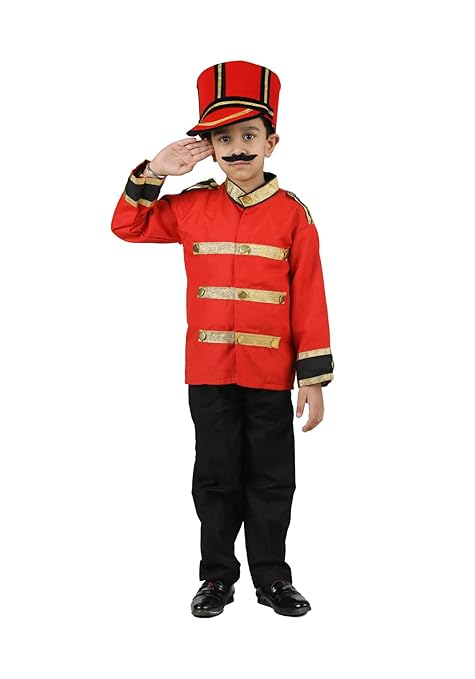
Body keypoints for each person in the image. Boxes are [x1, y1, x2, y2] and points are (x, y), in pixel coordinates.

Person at [111, 60, 334, 618]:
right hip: (208, 371)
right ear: (209, 147)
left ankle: (272, 579)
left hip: (270, 375)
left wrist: (312, 379)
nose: (237, 148)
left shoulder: (294, 216)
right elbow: (127, 225)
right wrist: (156, 170)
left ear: (271, 143)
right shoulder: (190, 206)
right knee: (213, 478)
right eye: (224, 138)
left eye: (248, 136)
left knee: (272, 479)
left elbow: (310, 296)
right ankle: (216, 578)